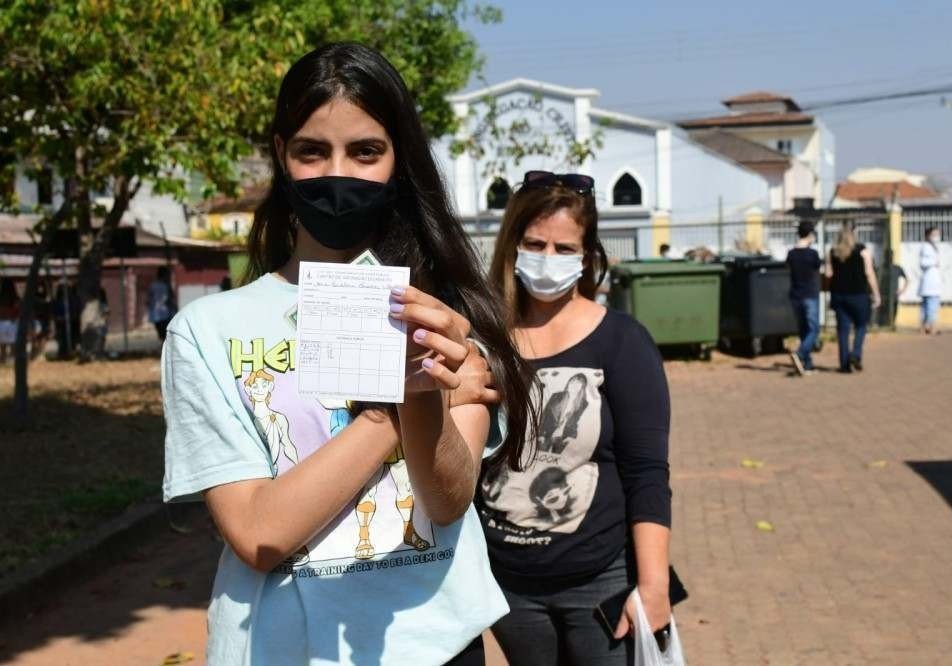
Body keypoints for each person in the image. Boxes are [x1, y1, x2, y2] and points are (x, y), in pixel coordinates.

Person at [161, 43, 536, 666]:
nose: (340, 173)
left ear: (399, 160)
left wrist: (431, 391)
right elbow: (258, 534)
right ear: (282, 155)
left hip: (433, 645)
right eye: (313, 151)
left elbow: (445, 500)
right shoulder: (206, 331)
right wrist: (395, 406)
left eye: (366, 151)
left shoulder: (444, 318)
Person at [480, 170, 673, 665]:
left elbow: (648, 472)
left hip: (600, 580)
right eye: (534, 243)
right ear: (512, 245)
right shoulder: (483, 338)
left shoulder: (622, 341)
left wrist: (653, 587)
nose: (548, 260)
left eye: (565, 249)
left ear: (587, 256)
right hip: (507, 584)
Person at [826, 226, 881, 373]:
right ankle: (856, 354)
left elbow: (828, 274)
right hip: (859, 295)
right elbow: (869, 273)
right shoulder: (863, 252)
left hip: (839, 295)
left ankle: (844, 364)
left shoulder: (833, 252)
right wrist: (876, 293)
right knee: (861, 326)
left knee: (843, 330)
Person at [785, 221, 821, 376]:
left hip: (795, 295)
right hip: (809, 295)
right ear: (810, 234)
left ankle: (807, 364)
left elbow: (788, 268)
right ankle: (800, 354)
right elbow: (817, 268)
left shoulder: (791, 254)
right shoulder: (812, 254)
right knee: (813, 329)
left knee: (803, 329)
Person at [918, 226, 942, 335]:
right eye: (934, 234)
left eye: (938, 234)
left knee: (928, 307)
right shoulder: (926, 247)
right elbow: (922, 263)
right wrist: (934, 262)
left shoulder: (935, 248)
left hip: (933, 283)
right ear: (928, 236)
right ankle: (931, 327)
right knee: (930, 307)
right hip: (929, 282)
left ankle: (925, 327)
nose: (937, 237)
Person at [148, 266, 176, 344]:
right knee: (166, 336)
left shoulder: (153, 286)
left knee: (162, 336)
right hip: (166, 315)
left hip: (156, 315)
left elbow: (149, 301)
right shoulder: (166, 286)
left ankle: (163, 349)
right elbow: (171, 299)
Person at [31, 281, 52, 360]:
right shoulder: (35, 299)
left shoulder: (45, 298)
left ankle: (40, 353)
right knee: (36, 337)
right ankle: (36, 354)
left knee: (41, 337)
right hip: (37, 320)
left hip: (43, 320)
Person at [0, 278, 19, 364]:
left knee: (3, 345)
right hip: (12, 323)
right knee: (13, 345)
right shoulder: (15, 298)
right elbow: (18, 311)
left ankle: (3, 359)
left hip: (1, 323)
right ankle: (11, 361)